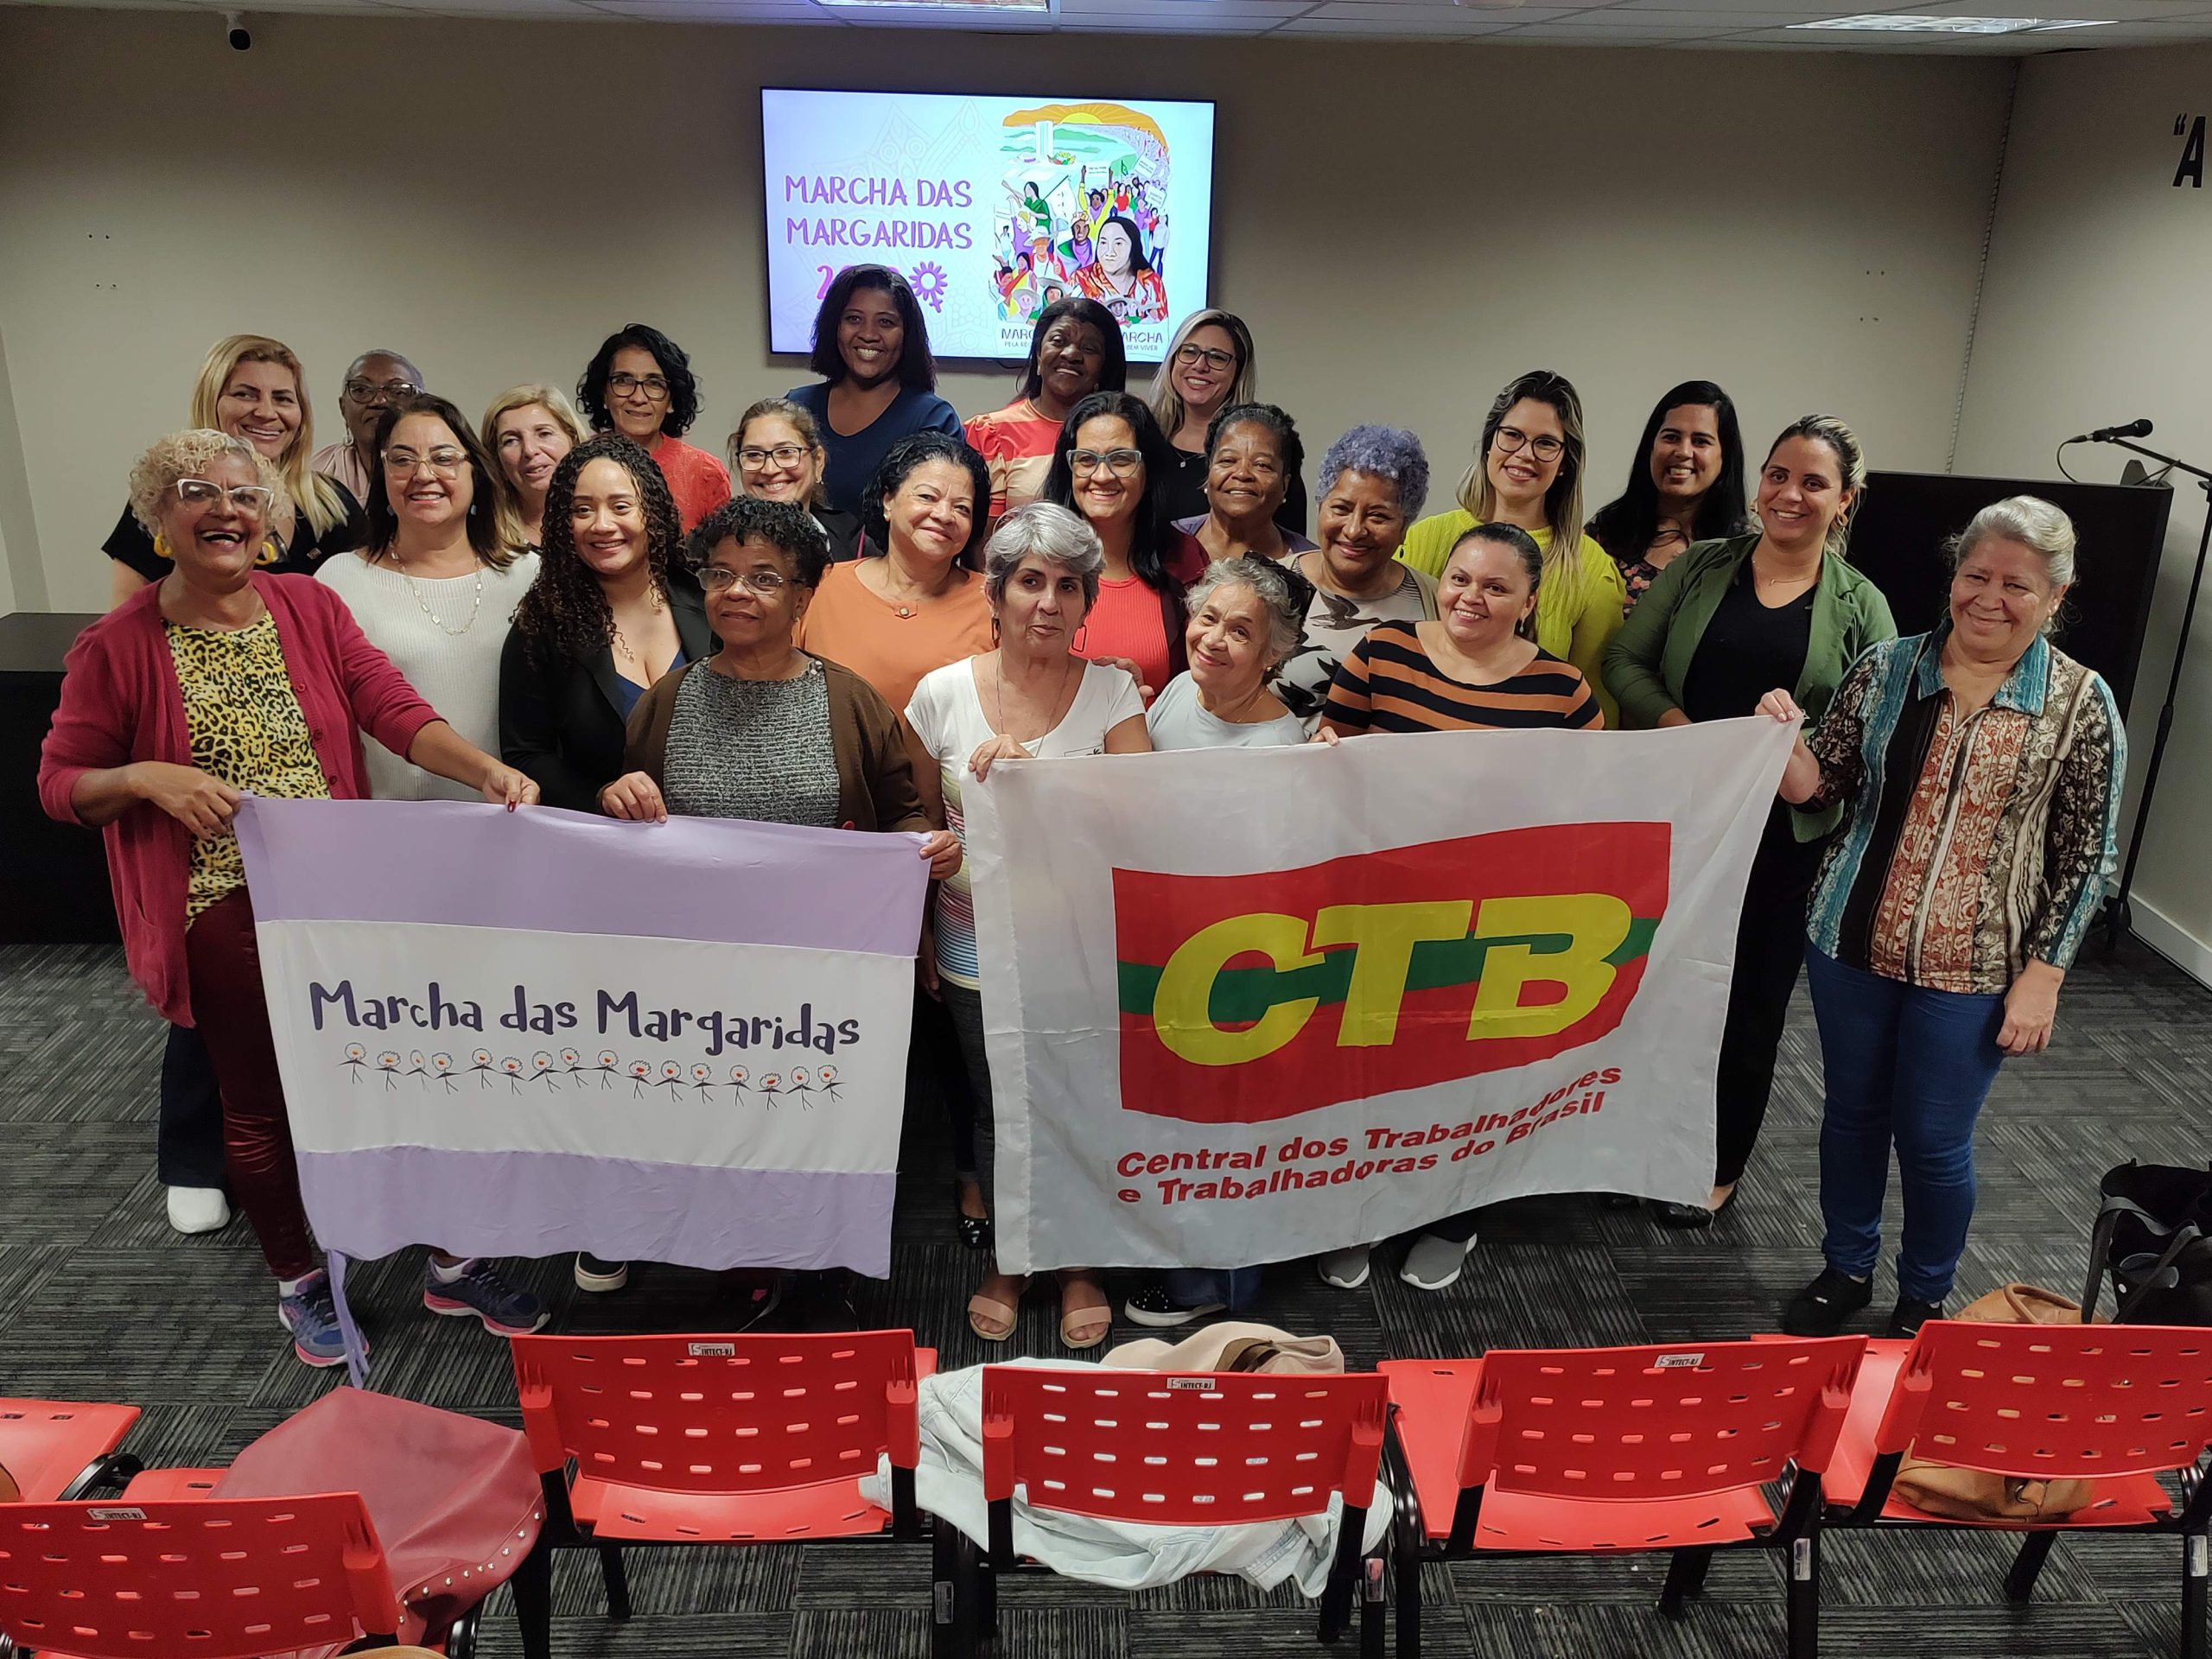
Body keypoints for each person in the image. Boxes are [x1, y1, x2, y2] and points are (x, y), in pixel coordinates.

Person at [39, 429, 542, 1366]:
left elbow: (388, 705)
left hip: (339, 892)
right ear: (158, 518)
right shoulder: (119, 645)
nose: (224, 510)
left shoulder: (306, 604)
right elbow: (61, 784)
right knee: (262, 1101)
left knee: (405, 1073)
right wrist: (145, 776)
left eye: (244, 494)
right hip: (218, 903)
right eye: (197, 492)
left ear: (268, 517)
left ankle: (449, 1260)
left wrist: (482, 770)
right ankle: (298, 1280)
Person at [1762, 497, 2123, 1339]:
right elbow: (1824, 786)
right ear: (1953, 575)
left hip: (1976, 965)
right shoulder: (1888, 668)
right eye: (1975, 575)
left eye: (2016, 585)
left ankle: (1923, 1297)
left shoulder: (2079, 702)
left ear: (2055, 596)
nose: (1989, 598)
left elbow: (2087, 855)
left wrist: (2043, 977)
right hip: (1851, 939)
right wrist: (1782, 744)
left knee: (1931, 1139)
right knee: (1851, 1115)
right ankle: (1845, 1268)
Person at [1605, 414, 1897, 1228]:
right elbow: (1624, 660)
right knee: (1649, 986)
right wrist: (1686, 736)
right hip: (1677, 818)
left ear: (1845, 500)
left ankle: (1718, 1161)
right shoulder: (1701, 566)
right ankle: (1634, 1143)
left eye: (1813, 483)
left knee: (1747, 1002)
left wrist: (1802, 765)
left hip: (1780, 840)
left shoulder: (1861, 605)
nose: (1789, 495)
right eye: (1778, 475)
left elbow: (1875, 734)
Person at [1315, 523, 1603, 1293]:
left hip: (1496, 914)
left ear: (1529, 602)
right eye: (1461, 579)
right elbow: (1328, 762)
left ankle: (1454, 1215)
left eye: (1496, 587)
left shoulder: (1562, 689)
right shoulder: (1383, 651)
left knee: (1470, 1071)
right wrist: (1325, 757)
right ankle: (1361, 1210)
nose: (1471, 597)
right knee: (1371, 1064)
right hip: (1382, 903)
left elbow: (1592, 803)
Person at [906, 504, 1151, 1350]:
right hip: (972, 943)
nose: (1048, 601)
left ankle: (1078, 1263)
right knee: (996, 1107)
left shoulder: (1113, 692)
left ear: (1087, 603)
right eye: (1031, 581)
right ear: (997, 593)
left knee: (1080, 1101)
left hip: (1084, 949)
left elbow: (1140, 824)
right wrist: (925, 876)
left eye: (1069, 586)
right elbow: (913, 817)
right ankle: (1013, 1259)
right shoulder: (940, 694)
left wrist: (1036, 781)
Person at [1120, 556, 1309, 1327]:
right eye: (1207, 619)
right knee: (1174, 1119)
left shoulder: (1280, 747)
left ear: (1273, 653)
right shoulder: (1177, 691)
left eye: (1240, 631)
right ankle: (1178, 1253)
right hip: (1166, 944)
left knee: (1228, 1126)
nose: (1215, 639)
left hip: (1234, 960)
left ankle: (1217, 1290)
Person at [317, 394, 541, 802]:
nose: (423, 474)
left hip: (515, 814)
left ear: (476, 471)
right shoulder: (339, 580)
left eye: (443, 458)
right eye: (402, 460)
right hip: (391, 821)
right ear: (383, 475)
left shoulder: (530, 575)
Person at [1397, 370, 1627, 722]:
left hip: (1531, 750)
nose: (1524, 454)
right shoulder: (1423, 539)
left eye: (1546, 443)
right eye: (1512, 435)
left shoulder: (1591, 568)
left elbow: (1596, 703)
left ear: (1564, 463)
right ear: (1490, 443)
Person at [500, 434, 709, 815]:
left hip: (715, 833)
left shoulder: (706, 601)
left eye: (620, 506)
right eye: (582, 510)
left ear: (652, 511)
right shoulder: (542, 626)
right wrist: (600, 795)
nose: (601, 524)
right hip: (601, 838)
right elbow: (526, 754)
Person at [105, 335, 365, 611]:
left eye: (283, 398)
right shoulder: (165, 498)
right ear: (211, 402)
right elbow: (125, 619)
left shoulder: (335, 505)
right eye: (245, 394)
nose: (267, 412)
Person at [796, 431, 995, 714]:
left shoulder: (995, 601)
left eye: (962, 508)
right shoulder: (820, 587)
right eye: (927, 497)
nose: (944, 515)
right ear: (888, 501)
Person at [1040, 391, 1205, 699]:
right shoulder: (1034, 557)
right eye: (1086, 459)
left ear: (1149, 470)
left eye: (1121, 459)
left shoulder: (1184, 559)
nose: (1102, 476)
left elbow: (1201, 689)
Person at [1276, 425, 1438, 732]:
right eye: (1341, 508)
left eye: (1378, 516)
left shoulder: (1435, 601)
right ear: (1320, 507)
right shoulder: (1265, 585)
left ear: (1405, 527)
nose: (1353, 530)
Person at [785, 265, 963, 518]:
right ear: (834, 327)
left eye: (885, 322)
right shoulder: (797, 407)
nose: (869, 334)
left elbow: (935, 517)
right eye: (854, 319)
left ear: (906, 335)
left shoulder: (933, 419)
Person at [1587, 381, 1752, 613]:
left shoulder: (1745, 549)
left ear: (1724, 456)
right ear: (1651, 446)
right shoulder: (1606, 532)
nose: (1683, 452)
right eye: (1671, 437)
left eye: (1700, 441)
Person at [964, 297, 1125, 520]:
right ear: (1039, 354)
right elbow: (985, 535)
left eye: (1089, 349)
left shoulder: (1126, 434)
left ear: (1104, 367)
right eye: (1058, 341)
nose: (1071, 354)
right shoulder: (990, 433)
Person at [1150, 312, 1308, 533]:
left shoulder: (1269, 452)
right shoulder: (1144, 440)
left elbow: (1290, 544)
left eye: (1217, 357)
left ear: (1238, 373)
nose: (1200, 365)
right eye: (1189, 352)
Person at [576, 323, 731, 532]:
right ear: (604, 394)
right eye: (623, 381)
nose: (638, 397)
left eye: (655, 383)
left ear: (671, 401)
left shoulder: (705, 473)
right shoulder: (577, 465)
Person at [1172, 403, 1314, 566]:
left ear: (1285, 485)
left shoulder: (1311, 568)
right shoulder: (1161, 545)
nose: (1242, 474)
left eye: (1262, 465)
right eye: (1228, 460)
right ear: (1209, 471)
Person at [728, 395, 862, 561]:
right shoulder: (720, 548)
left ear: (818, 461)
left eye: (786, 452)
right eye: (754, 455)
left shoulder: (855, 545)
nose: (769, 469)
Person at [480, 385, 587, 550]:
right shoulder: (483, 540)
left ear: (573, 440)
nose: (529, 450)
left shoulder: (607, 523)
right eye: (511, 441)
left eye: (544, 434)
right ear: (496, 461)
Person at [312, 350, 425, 503]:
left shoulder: (440, 474)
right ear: (343, 407)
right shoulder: (314, 479)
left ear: (422, 405)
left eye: (397, 391)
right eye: (361, 390)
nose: (379, 401)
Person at [1076, 213, 1169, 322]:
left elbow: (1162, 323)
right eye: (1103, 243)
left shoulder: (1150, 282)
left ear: (1133, 247)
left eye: (1118, 244)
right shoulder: (1082, 279)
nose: (1109, 252)